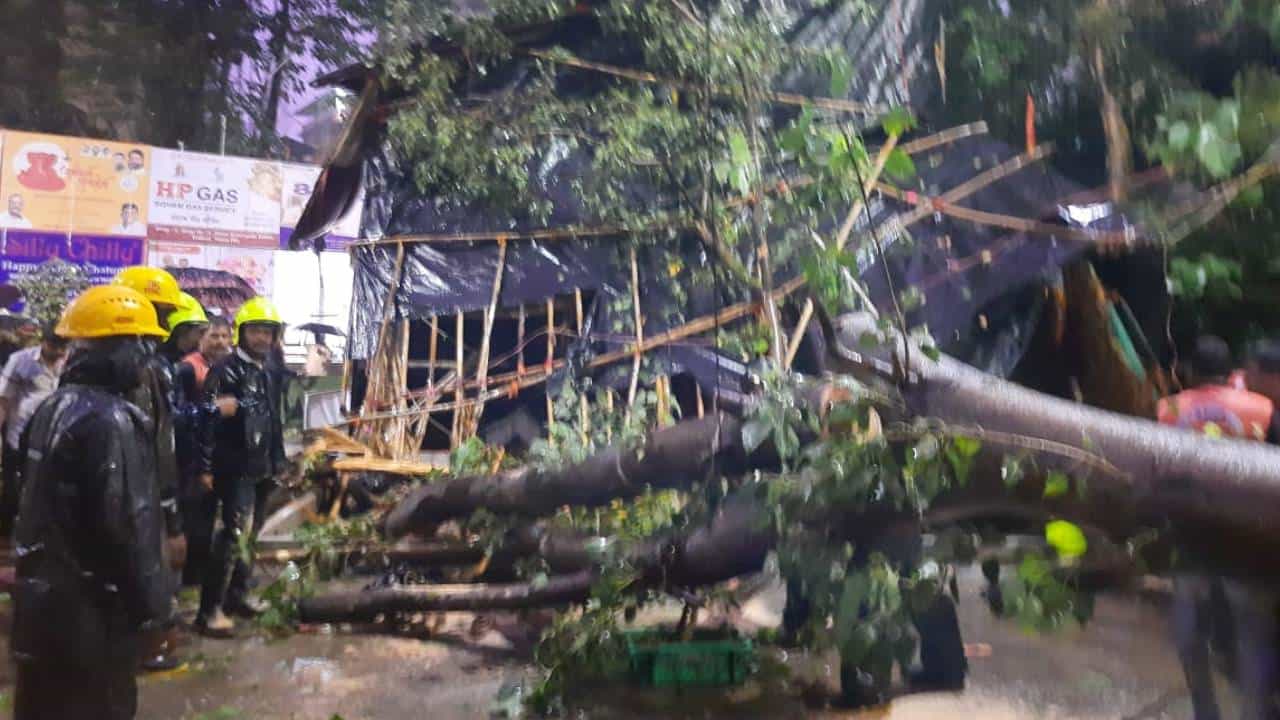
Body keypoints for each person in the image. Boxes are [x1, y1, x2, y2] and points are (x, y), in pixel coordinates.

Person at [11, 284, 171, 720]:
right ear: (119, 349)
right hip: (91, 619)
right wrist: (154, 615)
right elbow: (129, 528)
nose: (146, 361)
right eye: (143, 346)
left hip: (39, 609)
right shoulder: (115, 421)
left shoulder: (50, 408)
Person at [1159, 336, 1280, 720]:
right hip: (1247, 540)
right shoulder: (1263, 409)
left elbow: (1155, 476)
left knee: (1190, 631)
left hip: (1192, 540)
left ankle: (1204, 711)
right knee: (1252, 635)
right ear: (1231, 374)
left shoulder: (1168, 409)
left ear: (1190, 372)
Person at [196, 297, 286, 637]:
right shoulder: (225, 371)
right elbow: (207, 422)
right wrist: (205, 467)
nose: (262, 338)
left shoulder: (269, 370)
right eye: (256, 331)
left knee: (251, 535)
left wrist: (279, 462)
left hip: (262, 467)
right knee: (232, 537)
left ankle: (238, 596)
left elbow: (273, 420)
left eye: (268, 332)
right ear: (243, 333)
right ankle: (209, 611)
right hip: (234, 468)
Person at [111, 266, 187, 671]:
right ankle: (142, 644)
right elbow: (154, 442)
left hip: (142, 488)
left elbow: (162, 436)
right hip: (132, 490)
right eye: (159, 313)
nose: (161, 326)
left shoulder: (151, 366)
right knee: (138, 566)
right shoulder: (132, 372)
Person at [0, 322, 68, 536]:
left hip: (53, 440)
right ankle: (8, 533)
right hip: (18, 437)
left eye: (63, 347)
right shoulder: (20, 360)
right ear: (43, 341)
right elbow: (4, 400)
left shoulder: (71, 362)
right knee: (14, 489)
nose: (60, 352)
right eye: (54, 346)